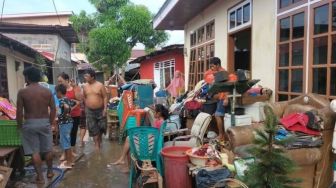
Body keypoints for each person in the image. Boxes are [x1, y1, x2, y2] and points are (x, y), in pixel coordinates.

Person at [16, 67, 56, 184]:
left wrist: (19, 125)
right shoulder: (47, 91)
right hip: (44, 122)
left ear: (27, 77)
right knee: (48, 149)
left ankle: (40, 176)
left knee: (35, 151)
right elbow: (53, 108)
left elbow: (19, 111)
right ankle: (49, 171)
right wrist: (50, 121)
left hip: (30, 123)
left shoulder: (22, 92)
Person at [111, 104, 169, 172]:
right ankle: (124, 162)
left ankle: (124, 161)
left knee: (129, 140)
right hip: (154, 144)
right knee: (129, 141)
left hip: (150, 147)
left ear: (158, 113)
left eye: (153, 111)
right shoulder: (162, 121)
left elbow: (153, 134)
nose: (152, 113)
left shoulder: (158, 122)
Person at [204, 57, 229, 141]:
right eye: (210, 66)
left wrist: (226, 98)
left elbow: (227, 86)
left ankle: (221, 135)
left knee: (218, 116)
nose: (211, 68)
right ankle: (223, 135)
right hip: (219, 98)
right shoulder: (217, 72)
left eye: (212, 66)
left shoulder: (223, 72)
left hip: (223, 98)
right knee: (220, 116)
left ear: (218, 65)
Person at [83, 69, 108, 152]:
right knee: (93, 129)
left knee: (102, 127)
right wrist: (86, 107)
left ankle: (99, 141)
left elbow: (105, 97)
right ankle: (97, 147)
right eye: (85, 76)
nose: (85, 77)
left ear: (92, 77)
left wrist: (105, 109)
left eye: (87, 76)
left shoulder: (100, 85)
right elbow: (84, 97)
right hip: (90, 111)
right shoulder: (85, 86)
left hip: (100, 110)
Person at [57, 73, 82, 158]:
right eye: (58, 81)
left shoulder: (74, 89)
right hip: (64, 117)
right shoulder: (60, 91)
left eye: (61, 81)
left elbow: (79, 101)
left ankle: (72, 151)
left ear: (67, 80)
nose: (59, 83)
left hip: (74, 114)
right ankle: (65, 153)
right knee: (64, 135)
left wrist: (70, 109)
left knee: (73, 133)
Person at [55, 84, 78, 169]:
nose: (55, 94)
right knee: (66, 141)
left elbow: (66, 107)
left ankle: (68, 163)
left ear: (59, 92)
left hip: (64, 123)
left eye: (56, 93)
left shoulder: (62, 100)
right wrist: (69, 111)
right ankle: (70, 161)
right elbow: (76, 102)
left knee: (65, 143)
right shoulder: (67, 99)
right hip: (69, 122)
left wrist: (63, 114)